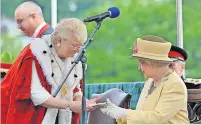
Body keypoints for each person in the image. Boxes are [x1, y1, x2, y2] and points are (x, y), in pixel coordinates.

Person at [1, 18, 99, 124]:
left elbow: (75, 88)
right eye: (75, 46)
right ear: (58, 40)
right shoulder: (34, 53)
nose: (78, 50)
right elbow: (37, 95)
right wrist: (70, 105)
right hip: (30, 116)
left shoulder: (73, 58)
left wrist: (80, 103)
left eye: (81, 45)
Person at [15, 2, 81, 123]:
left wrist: (71, 103)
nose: (18, 26)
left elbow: (63, 82)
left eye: (20, 21)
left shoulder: (50, 41)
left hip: (47, 113)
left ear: (33, 16)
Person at [99, 35, 189, 124]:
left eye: (142, 63)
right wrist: (118, 114)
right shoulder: (150, 81)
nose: (139, 67)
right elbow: (142, 116)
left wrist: (123, 113)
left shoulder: (174, 84)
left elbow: (158, 118)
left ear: (154, 63)